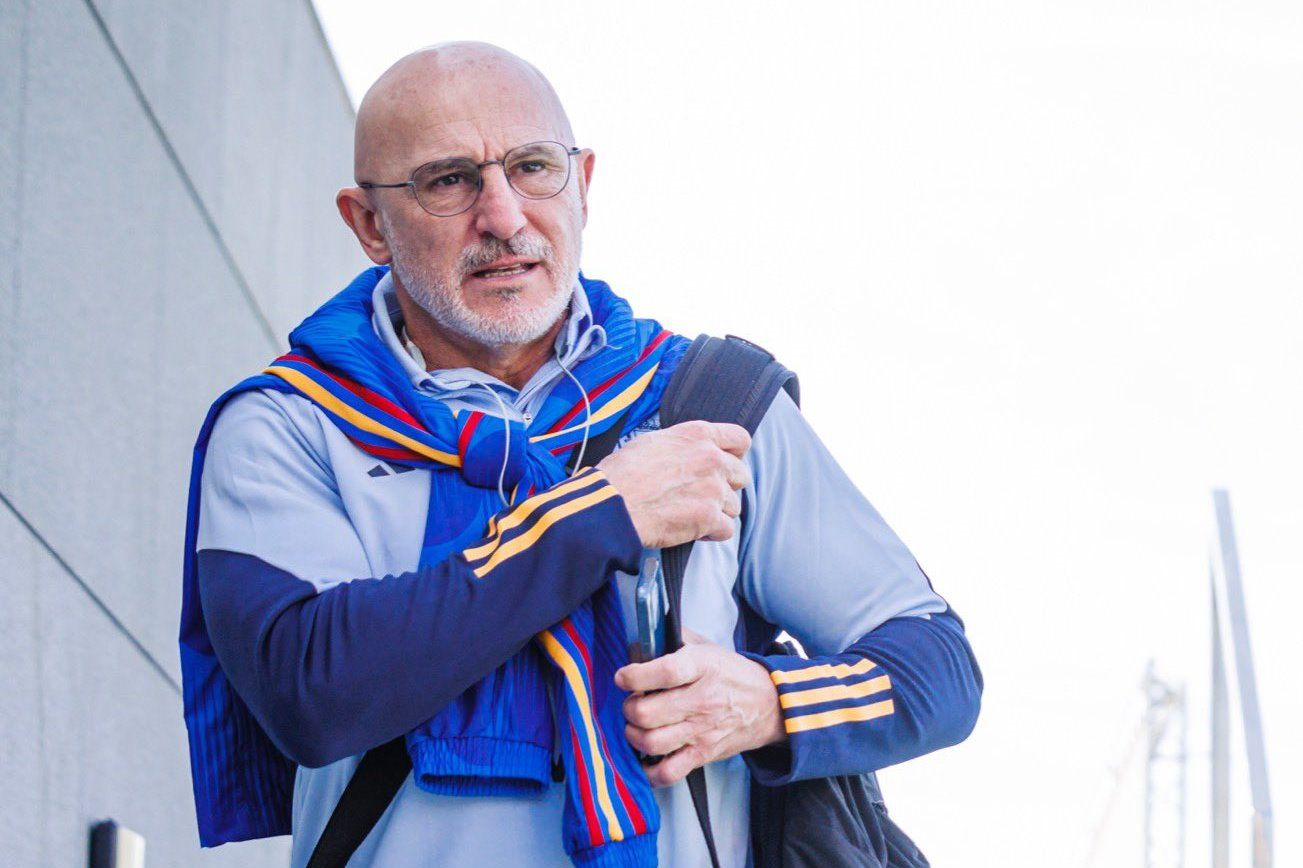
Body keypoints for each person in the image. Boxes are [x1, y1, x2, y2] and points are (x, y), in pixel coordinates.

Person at [179, 42, 983, 868]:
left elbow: (939, 670)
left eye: (532, 168)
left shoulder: (710, 404)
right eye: (448, 180)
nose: (503, 218)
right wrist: (598, 513)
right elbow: (310, 692)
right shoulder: (286, 426)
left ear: (584, 185)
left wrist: (771, 705)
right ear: (368, 224)